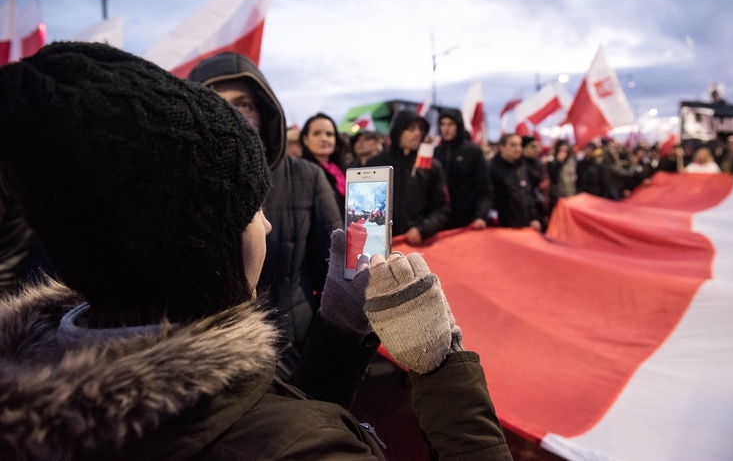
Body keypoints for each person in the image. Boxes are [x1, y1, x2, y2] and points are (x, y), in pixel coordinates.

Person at [0, 42, 511, 460]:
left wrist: (338, 329)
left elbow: (268, 414)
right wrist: (440, 365)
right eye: (249, 207)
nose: (266, 219)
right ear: (200, 238)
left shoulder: (45, 386)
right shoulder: (300, 451)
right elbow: (281, 432)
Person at [188, 52, 342, 378]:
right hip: (207, 367)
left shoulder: (307, 177)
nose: (230, 113)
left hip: (294, 353)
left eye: (244, 103)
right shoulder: (179, 186)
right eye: (214, 101)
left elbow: (335, 270)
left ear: (263, 111)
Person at [366, 110, 450, 245]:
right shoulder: (376, 163)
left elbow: (442, 208)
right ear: (398, 131)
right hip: (379, 244)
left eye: (421, 129)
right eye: (411, 129)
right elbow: (364, 204)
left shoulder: (431, 166)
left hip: (417, 244)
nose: (418, 133)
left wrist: (422, 229)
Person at [433, 111, 491, 230]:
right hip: (439, 220)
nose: (446, 129)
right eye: (443, 124)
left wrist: (480, 215)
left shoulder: (472, 151)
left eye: (450, 124)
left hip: (467, 220)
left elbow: (485, 188)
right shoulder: (435, 152)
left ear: (458, 126)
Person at [300, 112, 348, 219]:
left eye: (329, 134)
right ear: (305, 140)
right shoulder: (300, 172)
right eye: (317, 133)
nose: (324, 138)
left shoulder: (343, 169)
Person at [488, 133, 541, 230]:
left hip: (525, 225)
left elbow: (528, 194)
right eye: (513, 145)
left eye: (520, 145)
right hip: (504, 227)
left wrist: (534, 218)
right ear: (502, 147)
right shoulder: (492, 169)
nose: (518, 149)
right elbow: (489, 199)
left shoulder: (522, 167)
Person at [546, 139, 577, 213]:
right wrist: (558, 162)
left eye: (565, 150)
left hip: (571, 195)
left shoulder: (572, 162)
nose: (563, 153)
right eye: (561, 150)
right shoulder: (552, 163)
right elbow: (553, 178)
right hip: (558, 198)